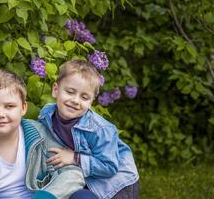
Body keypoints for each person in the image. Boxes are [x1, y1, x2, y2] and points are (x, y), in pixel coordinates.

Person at [0, 69, 85, 199]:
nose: (0, 114)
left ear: (23, 108)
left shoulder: (39, 136)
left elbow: (72, 174)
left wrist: (46, 196)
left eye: (9, 106)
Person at [38, 59, 139, 199]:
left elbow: (109, 166)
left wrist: (75, 158)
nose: (75, 100)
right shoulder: (47, 114)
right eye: (70, 92)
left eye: (84, 97)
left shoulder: (100, 130)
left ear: (91, 102)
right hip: (83, 177)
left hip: (115, 184)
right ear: (55, 90)